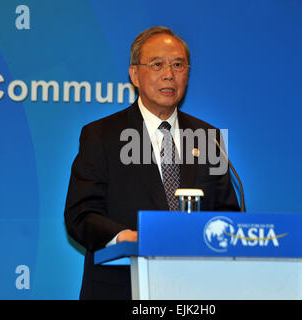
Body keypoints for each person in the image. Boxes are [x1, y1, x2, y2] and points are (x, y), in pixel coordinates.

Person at [64, 26, 241, 300]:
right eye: (157, 64)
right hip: (122, 287)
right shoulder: (102, 135)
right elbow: (80, 215)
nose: (169, 74)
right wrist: (124, 237)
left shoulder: (208, 138)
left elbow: (228, 216)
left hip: (195, 292)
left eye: (178, 65)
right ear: (134, 74)